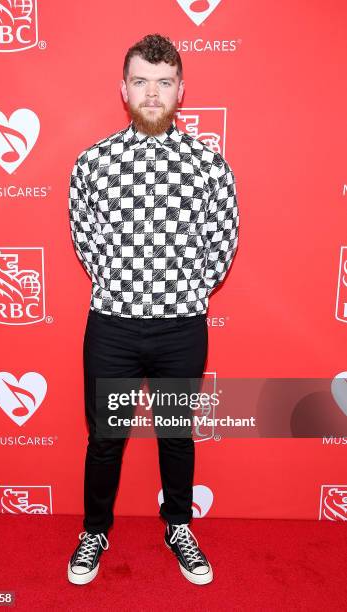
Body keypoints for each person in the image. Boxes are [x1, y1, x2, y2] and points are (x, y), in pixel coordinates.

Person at [67, 33, 239, 586]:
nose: (152, 92)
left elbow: (223, 243)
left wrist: (181, 295)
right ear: (123, 88)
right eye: (141, 81)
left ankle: (179, 525)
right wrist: (124, 287)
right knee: (106, 438)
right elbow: (85, 240)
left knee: (175, 433)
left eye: (164, 83)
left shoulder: (210, 166)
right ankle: (94, 530)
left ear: (181, 90)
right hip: (112, 327)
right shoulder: (92, 163)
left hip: (179, 328)